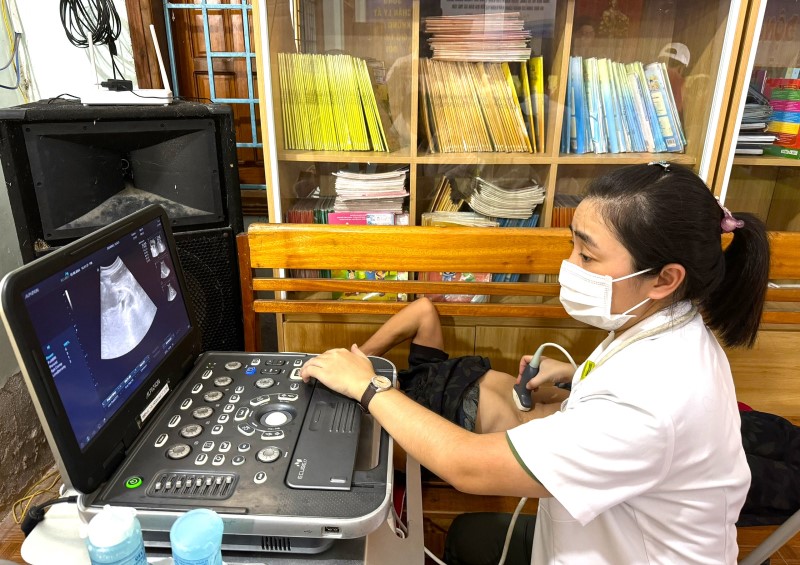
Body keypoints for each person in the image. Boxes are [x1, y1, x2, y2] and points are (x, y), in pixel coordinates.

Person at [301, 162, 770, 564]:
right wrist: (577, 377)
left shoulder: (652, 402)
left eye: (586, 255)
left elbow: (467, 466)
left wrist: (370, 388)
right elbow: (626, 392)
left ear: (664, 279)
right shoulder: (667, 330)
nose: (568, 265)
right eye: (574, 246)